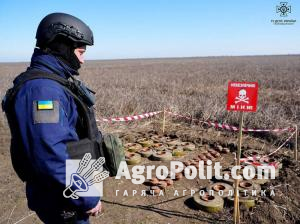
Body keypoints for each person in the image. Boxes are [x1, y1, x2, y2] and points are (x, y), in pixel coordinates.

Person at [2, 13, 103, 223]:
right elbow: (51, 155)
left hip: (66, 191)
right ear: (61, 46)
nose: (83, 60)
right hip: (61, 198)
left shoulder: (53, 84)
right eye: (80, 52)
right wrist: (87, 196)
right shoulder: (42, 91)